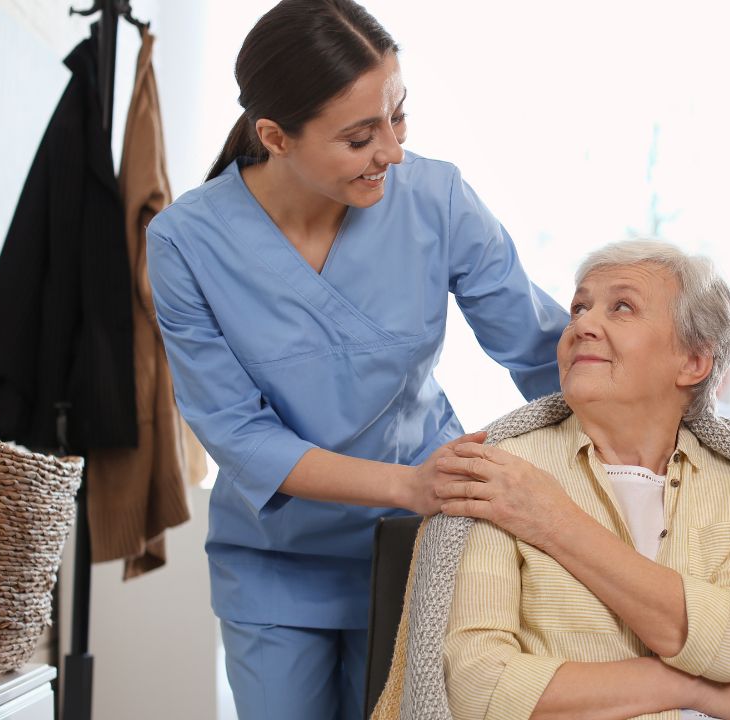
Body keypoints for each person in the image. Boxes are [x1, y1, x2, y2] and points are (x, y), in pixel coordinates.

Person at [146, 2, 567, 718]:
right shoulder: (186, 241)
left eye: (398, 118)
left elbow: (539, 349)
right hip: (278, 564)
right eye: (360, 136)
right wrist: (409, 485)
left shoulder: (436, 199)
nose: (393, 152)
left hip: (422, 550)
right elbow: (237, 432)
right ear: (275, 136)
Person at [434, 241, 730, 719]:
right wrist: (696, 690)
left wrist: (552, 519)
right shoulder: (502, 472)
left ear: (693, 361)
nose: (582, 324)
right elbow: (476, 685)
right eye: (579, 307)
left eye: (621, 307)